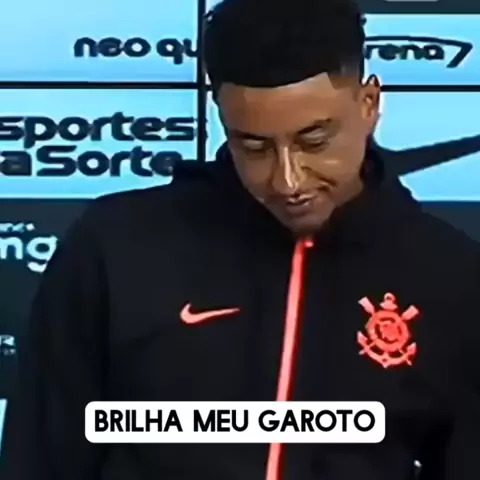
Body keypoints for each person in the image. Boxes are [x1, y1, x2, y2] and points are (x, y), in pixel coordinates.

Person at [2, 0, 480, 479]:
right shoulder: (114, 246)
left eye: (315, 141)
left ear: (369, 104)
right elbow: (40, 457)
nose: (288, 180)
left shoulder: (451, 275)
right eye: (254, 147)